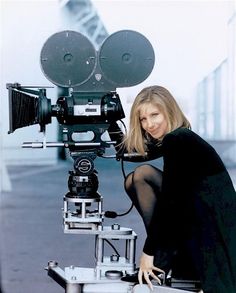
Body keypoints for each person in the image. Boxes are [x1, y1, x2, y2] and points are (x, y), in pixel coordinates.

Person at [108, 85, 236, 293]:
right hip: (202, 220)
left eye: (154, 115)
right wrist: (108, 120)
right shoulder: (179, 138)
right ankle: (165, 260)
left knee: (142, 176)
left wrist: (148, 253)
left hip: (213, 233)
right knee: (136, 178)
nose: (149, 124)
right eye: (143, 119)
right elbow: (129, 152)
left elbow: (170, 201)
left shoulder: (177, 139)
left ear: (168, 110)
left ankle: (161, 262)